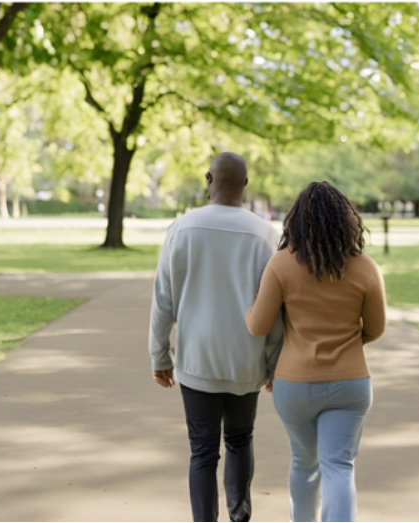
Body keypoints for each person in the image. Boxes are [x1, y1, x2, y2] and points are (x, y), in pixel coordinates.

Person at [149, 152, 283, 522]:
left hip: (197, 359)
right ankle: (240, 517)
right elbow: (275, 310)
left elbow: (164, 300)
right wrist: (273, 362)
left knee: (202, 451)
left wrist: (160, 356)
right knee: (240, 442)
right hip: (246, 359)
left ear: (208, 178)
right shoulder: (265, 234)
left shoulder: (181, 228)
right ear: (245, 184)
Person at [245, 181, 386, 522]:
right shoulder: (366, 267)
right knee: (338, 465)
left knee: (303, 464)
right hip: (350, 383)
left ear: (297, 221)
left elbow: (258, 326)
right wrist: (348, 342)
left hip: (294, 385)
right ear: (346, 220)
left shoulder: (281, 264)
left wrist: (245, 310)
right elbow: (376, 328)